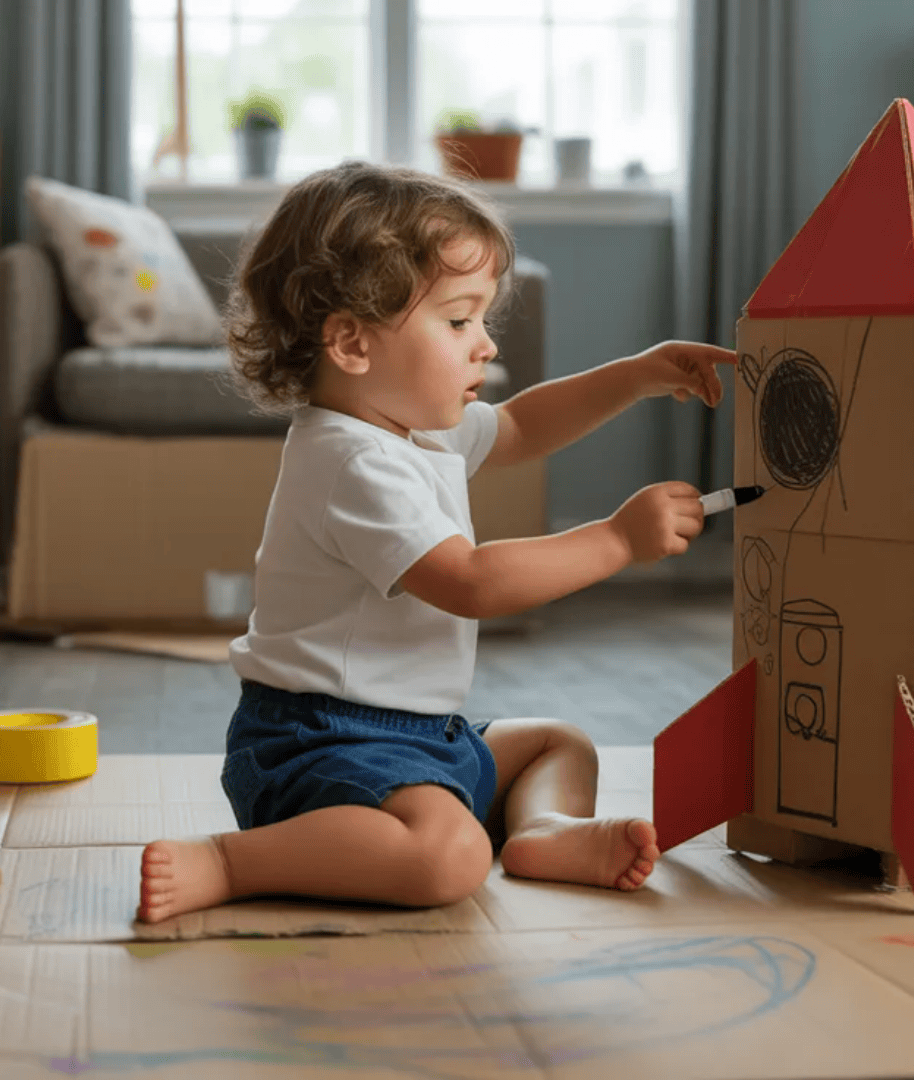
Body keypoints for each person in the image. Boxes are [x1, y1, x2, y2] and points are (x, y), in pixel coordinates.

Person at [138, 161, 734, 924]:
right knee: (447, 857)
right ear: (352, 343)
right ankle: (229, 859)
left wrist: (635, 376)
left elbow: (521, 426)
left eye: (482, 320)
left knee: (561, 743)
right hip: (317, 742)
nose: (483, 344)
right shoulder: (348, 459)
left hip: (419, 736)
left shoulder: (409, 427)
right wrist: (617, 540)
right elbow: (471, 582)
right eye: (459, 321)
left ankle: (542, 831)